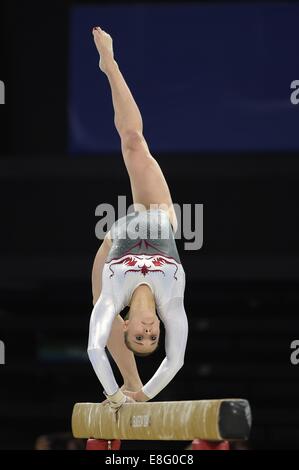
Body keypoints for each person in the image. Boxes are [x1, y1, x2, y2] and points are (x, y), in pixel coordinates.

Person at [88, 26, 188, 410]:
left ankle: (108, 65)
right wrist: (147, 393)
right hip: (157, 214)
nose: (148, 334)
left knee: (100, 304)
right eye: (152, 339)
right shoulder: (172, 302)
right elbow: (175, 361)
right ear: (160, 328)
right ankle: (136, 386)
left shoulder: (116, 299)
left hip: (113, 243)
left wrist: (112, 396)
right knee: (135, 142)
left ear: (128, 326)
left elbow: (94, 347)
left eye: (139, 337)